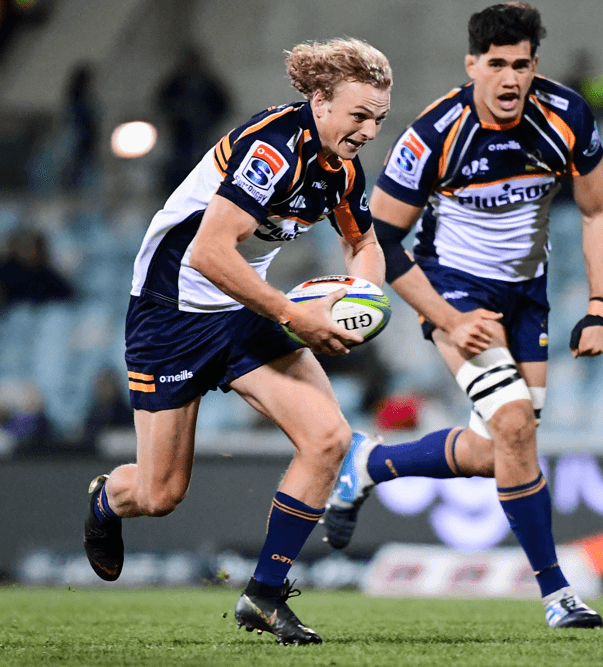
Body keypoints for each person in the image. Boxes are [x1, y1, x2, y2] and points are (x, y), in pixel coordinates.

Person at [82, 38, 392, 646]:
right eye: (359, 115)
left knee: (328, 438)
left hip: (244, 307)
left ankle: (266, 596)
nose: (369, 130)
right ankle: (107, 499)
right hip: (170, 314)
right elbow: (208, 252)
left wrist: (364, 303)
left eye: (378, 119)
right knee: (159, 492)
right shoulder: (272, 149)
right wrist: (294, 316)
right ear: (321, 100)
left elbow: (365, 246)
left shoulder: (342, 168)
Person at [320, 3, 603, 629]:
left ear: (535, 65)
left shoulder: (566, 116)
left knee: (499, 448)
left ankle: (369, 463)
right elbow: (379, 237)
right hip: (455, 292)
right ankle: (557, 593)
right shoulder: (434, 134)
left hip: (526, 295)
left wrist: (598, 305)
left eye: (522, 65)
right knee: (514, 428)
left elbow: (599, 213)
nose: (510, 79)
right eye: (497, 65)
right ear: (472, 65)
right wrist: (447, 319)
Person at [156, 46, 232, 195]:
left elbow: (223, 103)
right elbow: (162, 100)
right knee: (179, 163)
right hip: (181, 132)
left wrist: (209, 119)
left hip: (203, 131)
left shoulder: (206, 83)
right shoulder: (178, 83)